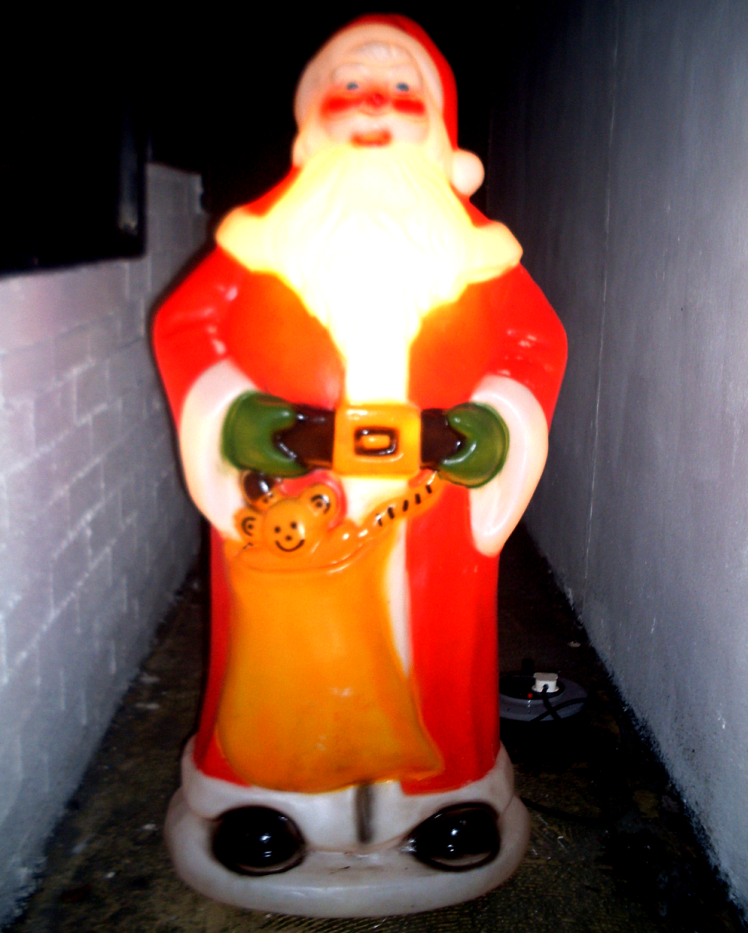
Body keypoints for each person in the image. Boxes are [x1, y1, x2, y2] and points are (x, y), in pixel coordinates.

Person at [155, 15, 566, 915]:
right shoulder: (261, 239)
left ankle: (443, 799)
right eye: (352, 85)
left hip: (432, 511)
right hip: (294, 497)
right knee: (282, 654)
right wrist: (239, 419)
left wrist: (496, 424)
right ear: (314, 113)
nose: (376, 106)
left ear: (438, 122)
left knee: (438, 653)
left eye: (401, 89)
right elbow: (189, 329)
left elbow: (533, 341)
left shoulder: (477, 250)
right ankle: (268, 799)